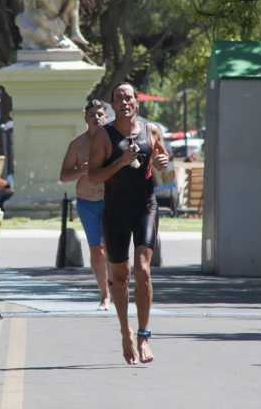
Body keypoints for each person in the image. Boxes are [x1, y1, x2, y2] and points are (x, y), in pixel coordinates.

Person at [87, 83, 169, 365]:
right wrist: (121, 162)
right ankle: (125, 331)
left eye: (129, 97)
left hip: (145, 207)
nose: (125, 101)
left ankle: (144, 336)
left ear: (137, 102)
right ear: (113, 104)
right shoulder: (103, 137)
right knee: (120, 277)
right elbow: (93, 176)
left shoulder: (151, 131)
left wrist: (161, 161)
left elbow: (162, 160)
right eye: (119, 97)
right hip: (116, 211)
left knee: (143, 270)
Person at [59, 99, 111, 310]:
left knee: (112, 247)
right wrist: (82, 170)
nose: (96, 118)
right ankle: (104, 295)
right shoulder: (77, 144)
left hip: (111, 200)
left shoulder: (115, 141)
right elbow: (63, 175)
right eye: (92, 115)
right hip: (88, 202)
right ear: (86, 118)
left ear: (106, 117)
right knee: (96, 250)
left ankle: (116, 286)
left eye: (100, 114)